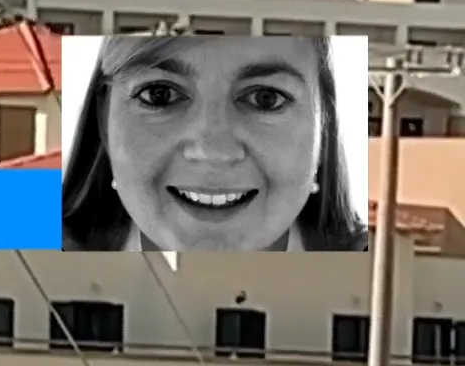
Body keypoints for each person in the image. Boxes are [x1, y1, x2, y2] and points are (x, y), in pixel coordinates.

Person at [60, 35, 367, 252]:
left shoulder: (393, 265)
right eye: (160, 95)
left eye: (266, 99)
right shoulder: (16, 223)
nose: (213, 152)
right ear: (103, 118)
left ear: (324, 127)